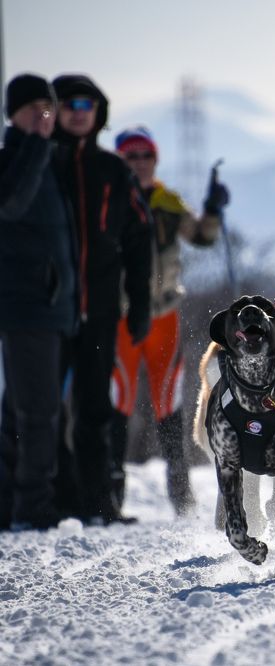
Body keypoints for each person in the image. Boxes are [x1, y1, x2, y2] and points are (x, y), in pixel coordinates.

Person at [108, 125, 228, 517]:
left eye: (146, 155)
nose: (139, 162)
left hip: (164, 314)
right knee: (120, 400)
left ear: (155, 159)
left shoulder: (166, 200)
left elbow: (202, 237)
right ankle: (111, 496)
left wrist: (213, 209)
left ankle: (182, 495)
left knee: (168, 400)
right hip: (123, 315)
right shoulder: (110, 198)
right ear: (120, 160)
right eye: (131, 156)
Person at [52, 74, 153, 525]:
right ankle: (51, 499)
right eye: (69, 103)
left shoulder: (113, 170)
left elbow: (139, 237)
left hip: (100, 308)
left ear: (98, 113)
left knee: (95, 407)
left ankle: (98, 503)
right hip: (46, 311)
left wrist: (140, 302)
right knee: (40, 409)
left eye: (86, 104)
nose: (78, 112)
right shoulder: (40, 162)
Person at [0, 74, 78, 531]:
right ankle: (33, 507)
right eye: (34, 109)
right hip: (26, 306)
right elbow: (11, 204)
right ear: (13, 114)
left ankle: (11, 503)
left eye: (47, 109)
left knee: (21, 409)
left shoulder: (47, 159)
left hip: (51, 308)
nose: (44, 117)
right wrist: (34, 144)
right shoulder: (16, 158)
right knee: (39, 413)